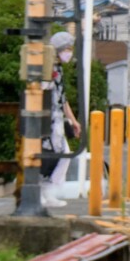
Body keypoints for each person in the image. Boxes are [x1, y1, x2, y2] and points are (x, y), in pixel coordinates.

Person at [41, 31, 81, 208]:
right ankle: (42, 193)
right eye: (67, 49)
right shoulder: (46, 68)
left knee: (62, 154)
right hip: (46, 119)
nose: (69, 53)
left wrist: (73, 120)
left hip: (56, 119)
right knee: (47, 155)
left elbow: (62, 99)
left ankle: (48, 192)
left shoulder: (58, 71)